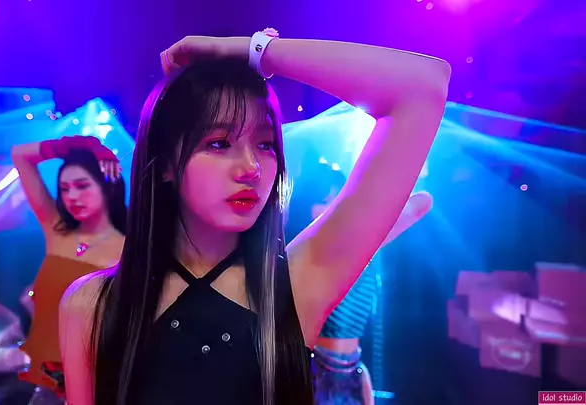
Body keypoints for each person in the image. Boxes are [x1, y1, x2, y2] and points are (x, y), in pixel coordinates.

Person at [59, 32, 451, 405]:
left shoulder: (296, 284)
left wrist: (255, 50)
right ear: (163, 164)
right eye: (219, 143)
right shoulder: (92, 304)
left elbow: (424, 86)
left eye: (265, 144)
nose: (251, 167)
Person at [286, 162, 433, 405]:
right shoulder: (298, 259)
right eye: (324, 201)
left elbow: (422, 203)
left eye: (338, 203)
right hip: (310, 373)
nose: (332, 211)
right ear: (306, 205)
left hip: (352, 373)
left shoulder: (360, 250)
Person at [11, 135, 127, 404]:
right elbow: (20, 154)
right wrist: (85, 145)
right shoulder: (57, 231)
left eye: (82, 186)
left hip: (99, 387)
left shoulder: (128, 248)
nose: (72, 196)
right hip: (47, 387)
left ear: (108, 185)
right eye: (64, 189)